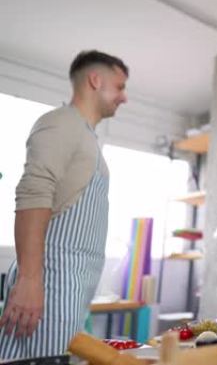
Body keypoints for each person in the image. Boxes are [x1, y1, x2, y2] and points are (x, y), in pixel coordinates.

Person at [0, 50, 128, 359]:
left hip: (66, 289)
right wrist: (30, 281)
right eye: (120, 86)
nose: (124, 98)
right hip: (50, 284)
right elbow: (34, 194)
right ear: (95, 80)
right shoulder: (61, 124)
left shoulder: (86, 137)